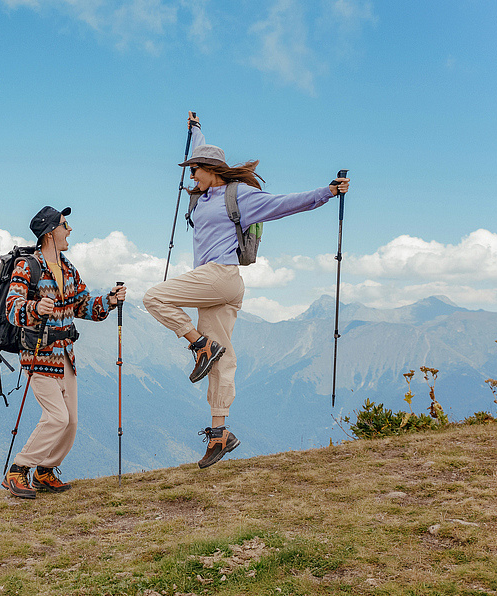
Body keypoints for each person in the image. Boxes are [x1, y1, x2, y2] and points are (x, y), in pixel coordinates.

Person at [143, 112, 350, 469]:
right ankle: (220, 433)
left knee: (154, 297)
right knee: (223, 360)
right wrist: (195, 129)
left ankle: (199, 343)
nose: (190, 175)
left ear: (211, 170)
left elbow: (284, 204)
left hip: (220, 275)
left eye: (194, 170)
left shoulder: (240, 196)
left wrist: (327, 192)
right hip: (220, 286)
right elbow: (200, 150)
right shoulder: (204, 193)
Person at [2, 205, 127, 499]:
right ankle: (18, 470)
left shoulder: (68, 268)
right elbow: (11, 309)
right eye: (65, 225)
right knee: (57, 418)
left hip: (67, 356)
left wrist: (109, 300)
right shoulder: (27, 267)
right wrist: (35, 307)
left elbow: (84, 307)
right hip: (38, 356)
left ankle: (46, 470)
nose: (70, 230)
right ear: (49, 233)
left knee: (70, 422)